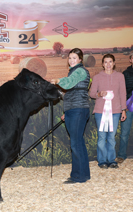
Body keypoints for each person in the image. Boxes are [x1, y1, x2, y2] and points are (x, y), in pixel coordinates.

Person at [51, 48, 90, 184]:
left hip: (78, 110)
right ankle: (84, 174)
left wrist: (57, 80)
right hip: (74, 110)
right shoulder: (75, 71)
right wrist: (66, 112)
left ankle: (78, 176)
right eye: (70, 58)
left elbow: (68, 83)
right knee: (78, 142)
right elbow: (73, 93)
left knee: (75, 143)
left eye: (74, 58)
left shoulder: (79, 71)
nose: (72, 60)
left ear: (80, 60)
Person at [89, 54, 127, 169]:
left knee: (111, 136)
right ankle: (102, 161)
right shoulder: (97, 77)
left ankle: (112, 160)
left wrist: (123, 110)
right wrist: (99, 94)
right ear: (102, 64)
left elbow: (123, 93)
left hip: (115, 111)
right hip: (101, 111)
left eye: (110, 62)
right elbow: (91, 94)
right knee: (101, 137)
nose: (108, 64)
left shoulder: (120, 76)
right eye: (106, 62)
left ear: (114, 63)